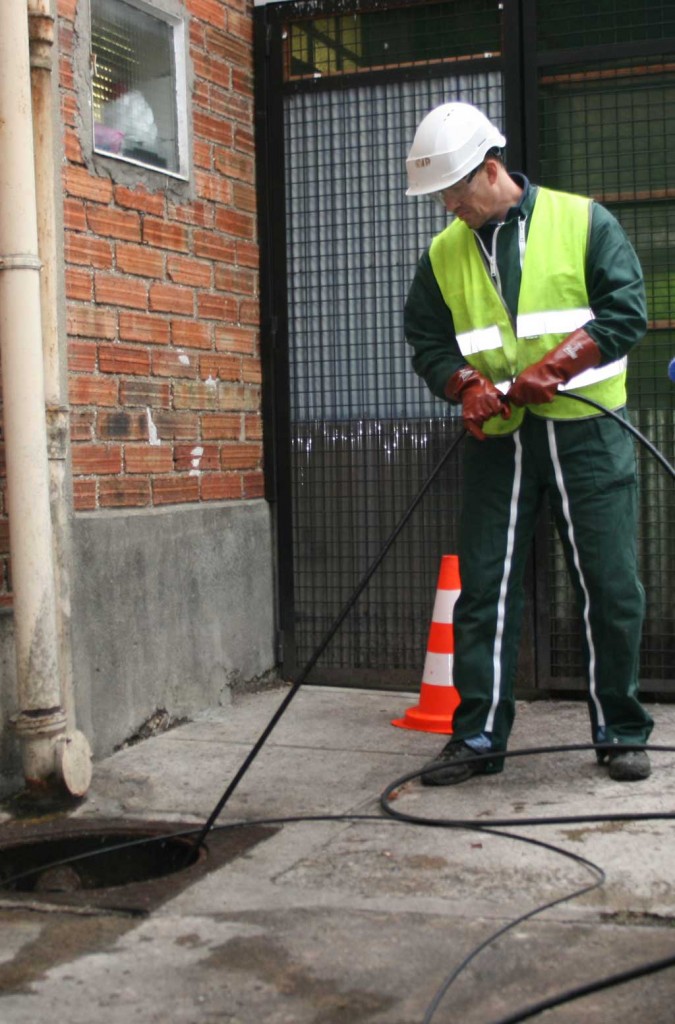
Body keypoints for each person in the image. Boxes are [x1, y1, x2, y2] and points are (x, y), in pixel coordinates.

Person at [403, 101, 654, 784]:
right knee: (484, 586)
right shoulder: (443, 255)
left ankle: (619, 730)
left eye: (453, 192)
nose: (447, 207)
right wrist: (462, 385)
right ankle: (479, 735)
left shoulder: (582, 222)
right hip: (500, 440)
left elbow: (625, 308)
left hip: (588, 434)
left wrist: (556, 366)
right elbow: (425, 338)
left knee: (607, 584)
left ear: (490, 170)